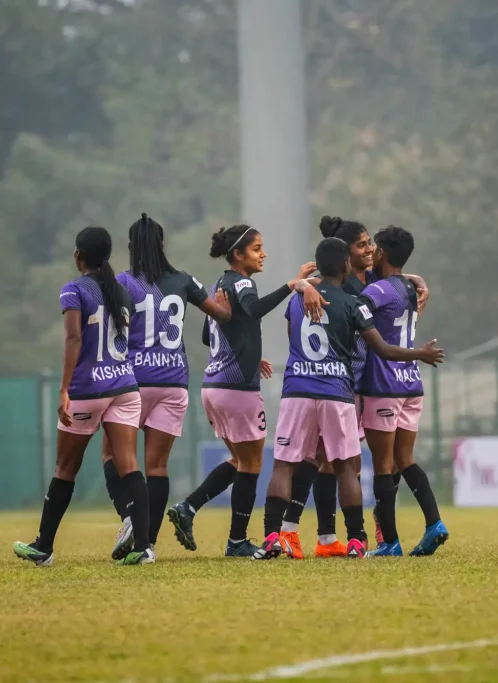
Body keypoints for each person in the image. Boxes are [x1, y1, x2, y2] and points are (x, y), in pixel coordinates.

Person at [254, 236, 444, 560]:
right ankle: (356, 539)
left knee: (284, 465)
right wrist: (420, 353)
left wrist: (303, 285)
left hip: (297, 389)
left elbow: (292, 340)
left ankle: (273, 536)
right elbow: (382, 348)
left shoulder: (297, 300)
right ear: (345, 265)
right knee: (345, 467)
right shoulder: (352, 304)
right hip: (337, 391)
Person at [165, 224, 324, 557]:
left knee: (239, 460)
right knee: (251, 464)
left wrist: (250, 351)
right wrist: (292, 285)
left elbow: (211, 336)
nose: (262, 253)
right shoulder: (241, 282)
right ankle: (237, 540)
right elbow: (251, 311)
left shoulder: (219, 284)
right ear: (238, 255)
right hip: (237, 389)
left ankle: (189, 507)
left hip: (214, 386)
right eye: (256, 248)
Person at [13, 227, 154, 566]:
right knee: (130, 466)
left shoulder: (73, 290)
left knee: (65, 467)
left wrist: (64, 388)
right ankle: (145, 548)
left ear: (78, 256)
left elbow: (74, 339)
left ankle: (43, 547)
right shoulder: (122, 292)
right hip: (124, 386)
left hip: (89, 390)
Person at [102, 214, 233, 560]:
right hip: (174, 382)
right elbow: (221, 314)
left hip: (133, 383)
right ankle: (148, 547)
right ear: (162, 245)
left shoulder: (123, 283)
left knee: (113, 456)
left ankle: (131, 520)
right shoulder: (184, 280)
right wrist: (224, 304)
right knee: (156, 466)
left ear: (130, 247)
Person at [359, 226, 449, 557]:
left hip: (385, 385)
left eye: (374, 249)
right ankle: (434, 523)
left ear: (381, 253)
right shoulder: (408, 289)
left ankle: (389, 542)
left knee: (383, 465)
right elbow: (394, 279)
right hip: (411, 383)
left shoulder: (377, 292)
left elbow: (358, 306)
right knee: (405, 459)